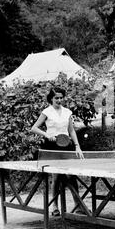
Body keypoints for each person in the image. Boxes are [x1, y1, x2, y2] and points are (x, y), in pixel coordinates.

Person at [31, 87, 84, 217]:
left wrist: (77, 146)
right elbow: (34, 128)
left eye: (61, 97)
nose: (59, 100)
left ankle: (78, 205)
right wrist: (47, 135)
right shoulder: (47, 112)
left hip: (66, 145)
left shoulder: (67, 112)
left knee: (72, 175)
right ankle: (54, 206)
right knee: (56, 177)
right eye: (56, 98)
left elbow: (71, 131)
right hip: (52, 146)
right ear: (51, 99)